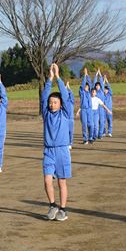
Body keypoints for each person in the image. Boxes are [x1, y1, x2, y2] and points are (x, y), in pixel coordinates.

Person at [42, 63, 72, 221]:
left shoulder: (65, 113)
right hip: (49, 151)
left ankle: (63, 209)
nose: (52, 104)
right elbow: (44, 97)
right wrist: (49, 79)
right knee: (47, 179)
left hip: (62, 151)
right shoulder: (46, 114)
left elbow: (66, 97)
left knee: (61, 182)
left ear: (60, 104)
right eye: (50, 102)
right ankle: (52, 205)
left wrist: (58, 77)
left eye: (55, 102)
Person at [77, 68, 92, 145]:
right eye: (86, 87)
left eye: (87, 87)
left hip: (89, 110)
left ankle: (90, 137)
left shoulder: (89, 92)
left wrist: (87, 75)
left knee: (90, 124)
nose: (87, 87)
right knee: (84, 125)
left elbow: (90, 83)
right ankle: (85, 139)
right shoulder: (82, 92)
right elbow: (83, 85)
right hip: (83, 110)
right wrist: (84, 76)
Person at [94, 69, 106, 139]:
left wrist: (100, 74)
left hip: (101, 109)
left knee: (101, 122)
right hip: (95, 109)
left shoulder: (101, 91)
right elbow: (94, 82)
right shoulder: (94, 92)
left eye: (98, 86)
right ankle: (95, 134)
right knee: (95, 123)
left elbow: (101, 82)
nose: (97, 86)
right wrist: (96, 75)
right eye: (96, 86)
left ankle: (100, 134)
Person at [66, 81, 75, 149]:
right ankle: (66, 143)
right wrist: (65, 87)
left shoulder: (71, 101)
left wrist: (68, 87)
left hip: (70, 119)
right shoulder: (63, 102)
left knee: (70, 131)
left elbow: (71, 94)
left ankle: (70, 143)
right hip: (64, 119)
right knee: (64, 132)